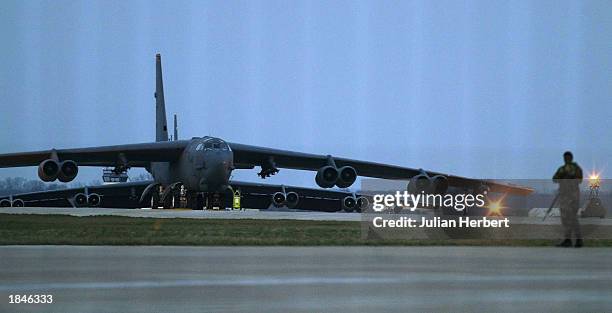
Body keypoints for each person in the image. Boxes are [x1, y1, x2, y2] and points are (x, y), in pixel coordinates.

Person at [552, 151, 583, 247]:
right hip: (564, 197)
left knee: (573, 218)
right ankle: (567, 239)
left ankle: (578, 239)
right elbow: (554, 179)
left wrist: (571, 177)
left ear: (571, 158)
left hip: (573, 196)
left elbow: (580, 180)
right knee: (565, 219)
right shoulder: (562, 169)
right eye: (565, 158)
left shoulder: (576, 169)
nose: (566, 160)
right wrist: (562, 176)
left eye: (568, 158)